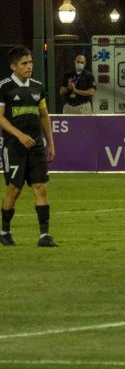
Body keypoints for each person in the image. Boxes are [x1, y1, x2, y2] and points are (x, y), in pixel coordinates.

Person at [0, 47, 57, 247]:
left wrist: (50, 142)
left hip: (35, 147)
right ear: (13, 66)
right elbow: (0, 118)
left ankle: (44, 236)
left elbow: (44, 115)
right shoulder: (4, 88)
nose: (29, 66)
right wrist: (19, 135)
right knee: (14, 190)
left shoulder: (37, 87)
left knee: (40, 188)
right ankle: (5, 231)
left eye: (31, 62)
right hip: (14, 147)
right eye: (24, 63)